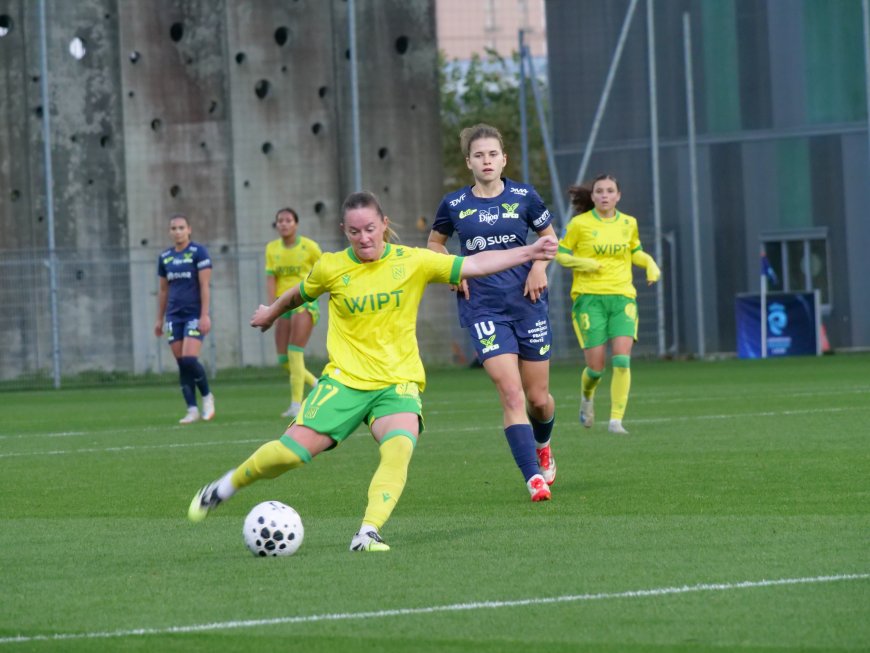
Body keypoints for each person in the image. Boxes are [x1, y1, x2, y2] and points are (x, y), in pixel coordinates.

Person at [188, 191, 557, 551]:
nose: (363, 238)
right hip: (345, 382)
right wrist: (271, 313)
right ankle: (225, 486)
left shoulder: (413, 261)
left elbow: (476, 264)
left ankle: (367, 533)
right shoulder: (332, 267)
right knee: (289, 455)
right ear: (344, 231)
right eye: (354, 231)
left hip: (397, 383)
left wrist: (529, 251)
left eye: (369, 229)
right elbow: (299, 293)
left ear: (384, 224)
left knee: (398, 449)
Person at [428, 123, 557, 502]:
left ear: (504, 159)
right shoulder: (454, 204)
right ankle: (533, 479)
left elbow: (549, 238)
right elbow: (434, 245)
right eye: (479, 155)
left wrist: (538, 268)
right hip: (483, 307)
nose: (486, 161)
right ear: (468, 162)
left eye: (492, 154)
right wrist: (452, 270)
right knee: (512, 394)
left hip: (527, 302)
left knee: (538, 399)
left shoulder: (524, 195)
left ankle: (544, 444)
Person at [555, 174, 661, 434]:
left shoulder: (628, 223)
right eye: (599, 191)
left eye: (610, 191)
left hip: (622, 297)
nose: (604, 195)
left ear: (618, 196)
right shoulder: (579, 224)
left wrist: (649, 263)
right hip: (589, 299)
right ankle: (587, 397)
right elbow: (560, 254)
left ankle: (616, 421)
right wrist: (583, 263)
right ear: (592, 196)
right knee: (596, 368)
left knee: (622, 360)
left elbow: (635, 252)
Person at [154, 214, 216, 424]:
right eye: (174, 228)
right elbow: (163, 290)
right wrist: (159, 319)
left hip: (194, 314)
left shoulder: (198, 252)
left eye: (181, 227)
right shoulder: (165, 257)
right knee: (182, 364)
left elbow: (204, 285)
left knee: (189, 359)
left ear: (189, 229)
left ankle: (207, 397)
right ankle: (192, 409)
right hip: (173, 316)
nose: (177, 232)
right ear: (169, 231)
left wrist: (204, 315)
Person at [265, 207, 323, 417]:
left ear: (296, 224)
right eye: (280, 220)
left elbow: (325, 269)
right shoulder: (272, 248)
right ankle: (318, 385)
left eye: (288, 220)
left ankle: (296, 405)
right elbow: (271, 279)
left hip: (305, 302)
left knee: (294, 351)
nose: (284, 224)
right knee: (284, 360)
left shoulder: (310, 247)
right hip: (283, 304)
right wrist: (271, 309)